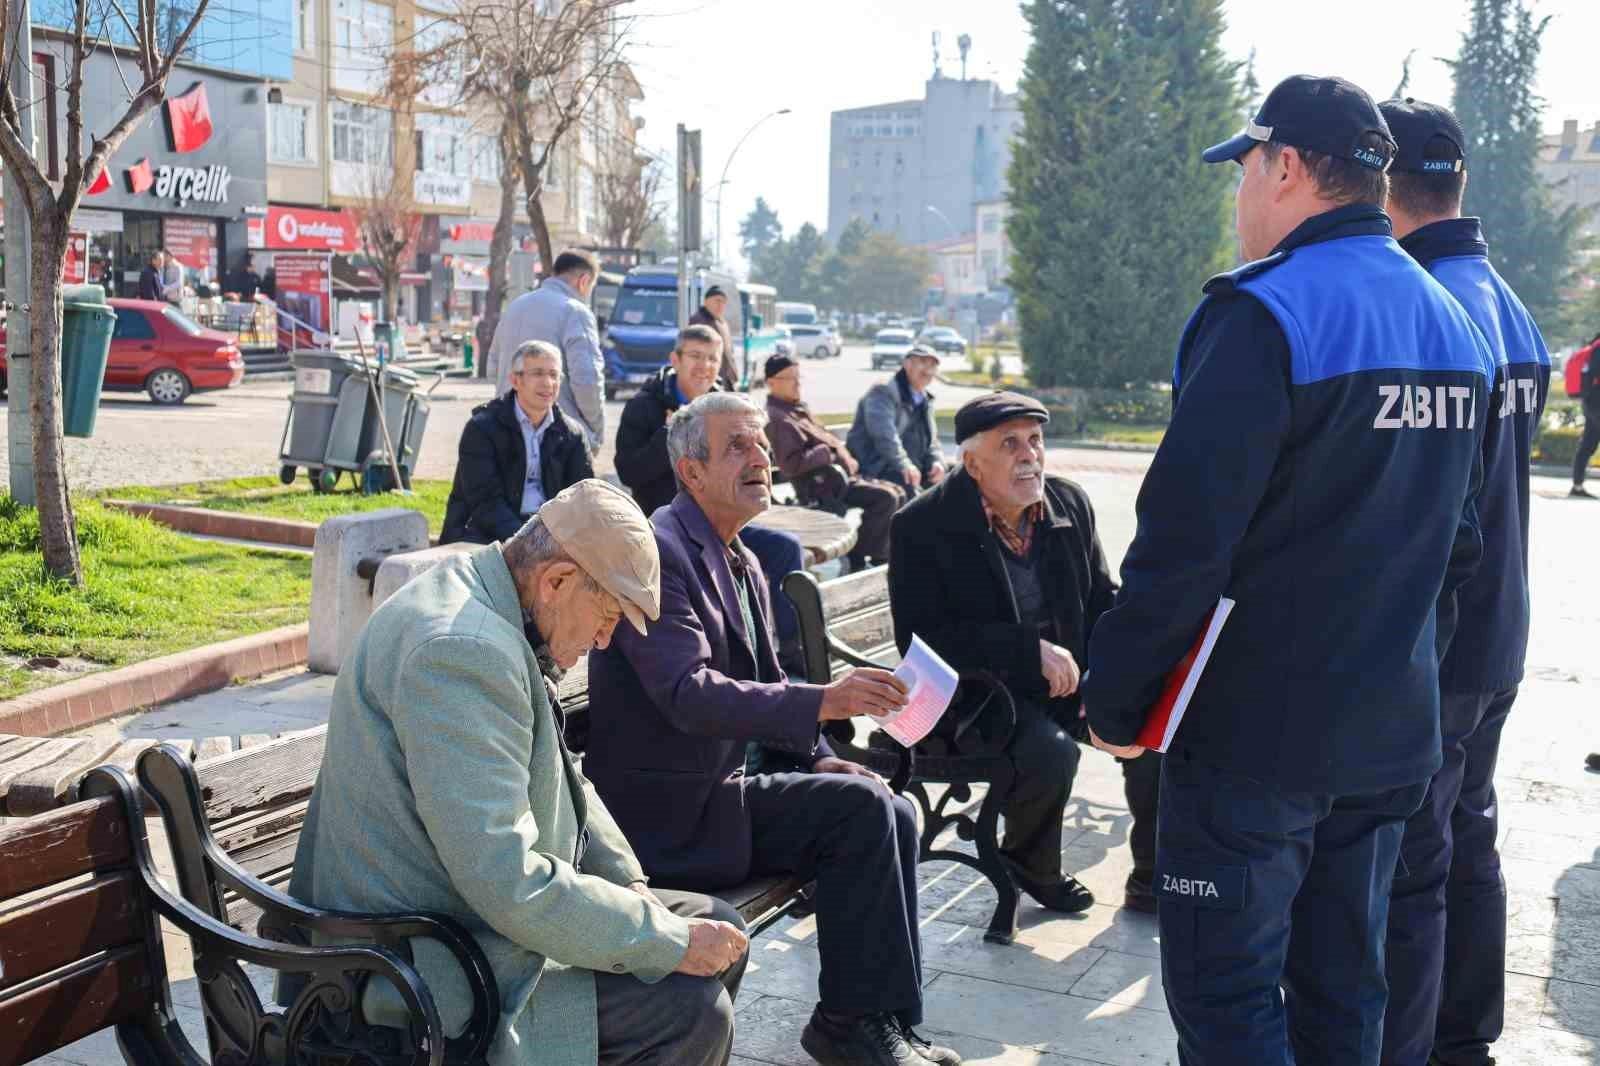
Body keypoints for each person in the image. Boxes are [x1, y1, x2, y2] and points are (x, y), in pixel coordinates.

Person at [1080, 75, 1494, 1066]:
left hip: (1255, 742)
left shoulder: (1261, 314)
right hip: (1388, 736)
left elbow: (1183, 541)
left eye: (1245, 172)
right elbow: (1459, 551)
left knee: (1227, 1004)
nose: (1238, 197)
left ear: (1289, 167)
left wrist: (1116, 701)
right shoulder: (1452, 325)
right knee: (1344, 995)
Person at [288, 480, 750, 1066]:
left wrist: (630, 887)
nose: (606, 640)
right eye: (607, 615)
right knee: (691, 1009)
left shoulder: (487, 594)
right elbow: (506, 881)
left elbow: (564, 775)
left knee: (718, 926)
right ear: (555, 581)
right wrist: (667, 941)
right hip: (424, 961)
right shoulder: (463, 653)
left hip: (460, 915)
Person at [586, 392, 961, 1066]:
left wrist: (819, 756)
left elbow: (770, 681)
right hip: (677, 814)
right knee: (862, 813)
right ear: (691, 471)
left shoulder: (741, 556)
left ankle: (884, 1023)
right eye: (738, 446)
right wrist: (824, 703)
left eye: (761, 444)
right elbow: (687, 693)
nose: (761, 457)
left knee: (890, 808)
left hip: (733, 787)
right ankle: (848, 1026)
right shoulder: (661, 554)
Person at [1377, 98, 1552, 1066]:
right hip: (1502, 631)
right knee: (1467, 835)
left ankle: (1415, 1047)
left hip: (1442, 642)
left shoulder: (1436, 309)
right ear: (1461, 183)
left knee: (1412, 861)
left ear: (1382, 190)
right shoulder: (1506, 297)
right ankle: (1461, 1035)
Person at [888, 392, 1160, 914]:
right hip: (976, 700)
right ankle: (1030, 864)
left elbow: (1100, 597)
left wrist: (1115, 671)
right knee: (1051, 752)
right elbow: (921, 640)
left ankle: (1153, 877)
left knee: (1152, 729)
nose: (1028, 454)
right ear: (971, 462)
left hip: (1066, 683)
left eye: (1035, 440)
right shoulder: (922, 526)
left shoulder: (1068, 504)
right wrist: (1025, 650)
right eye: (1009, 444)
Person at [615, 324, 808, 663]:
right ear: (675, 359)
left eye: (713, 359)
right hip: (669, 524)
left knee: (784, 549)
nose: (705, 366)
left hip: (721, 522)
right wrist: (674, 434)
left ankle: (793, 653)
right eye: (695, 357)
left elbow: (756, 456)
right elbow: (629, 472)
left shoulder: (726, 403)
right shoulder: (645, 406)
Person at [440, 340, 596, 545]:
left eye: (554, 374)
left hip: (548, 536)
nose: (548, 383)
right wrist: (527, 540)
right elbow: (485, 502)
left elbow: (582, 498)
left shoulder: (572, 434)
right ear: (515, 380)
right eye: (538, 373)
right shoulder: (481, 428)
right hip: (484, 534)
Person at [764, 353, 904, 569]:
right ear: (771, 383)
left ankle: (879, 555)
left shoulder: (795, 408)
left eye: (799, 377)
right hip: (822, 487)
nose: (797, 383)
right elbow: (791, 465)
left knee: (898, 492)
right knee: (886, 498)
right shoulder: (778, 418)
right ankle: (859, 555)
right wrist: (828, 451)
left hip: (838, 478)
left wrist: (841, 454)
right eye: (791, 378)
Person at [488, 250, 607, 453]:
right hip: (557, 438)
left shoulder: (515, 307)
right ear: (584, 281)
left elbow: (493, 369)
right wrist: (594, 430)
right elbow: (587, 381)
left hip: (506, 432)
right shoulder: (576, 312)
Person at [847, 345, 946, 495]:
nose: (928, 370)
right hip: (880, 466)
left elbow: (931, 440)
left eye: (933, 365)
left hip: (912, 467)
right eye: (923, 362)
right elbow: (885, 437)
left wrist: (937, 462)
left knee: (959, 480)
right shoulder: (883, 391)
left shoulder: (925, 399)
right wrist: (905, 465)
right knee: (917, 499)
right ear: (907, 364)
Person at [689, 284, 739, 391]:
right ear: (706, 302)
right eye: (717, 300)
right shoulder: (698, 321)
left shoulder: (722, 322)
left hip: (725, 379)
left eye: (723, 302)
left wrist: (734, 375)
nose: (720, 305)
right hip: (706, 379)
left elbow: (729, 353)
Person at [1572, 333, 1600, 497]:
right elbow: (1595, 371)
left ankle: (1577, 485)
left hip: (1591, 400)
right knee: (1588, 444)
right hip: (1596, 400)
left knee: (1588, 443)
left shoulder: (1594, 347)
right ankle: (1577, 485)